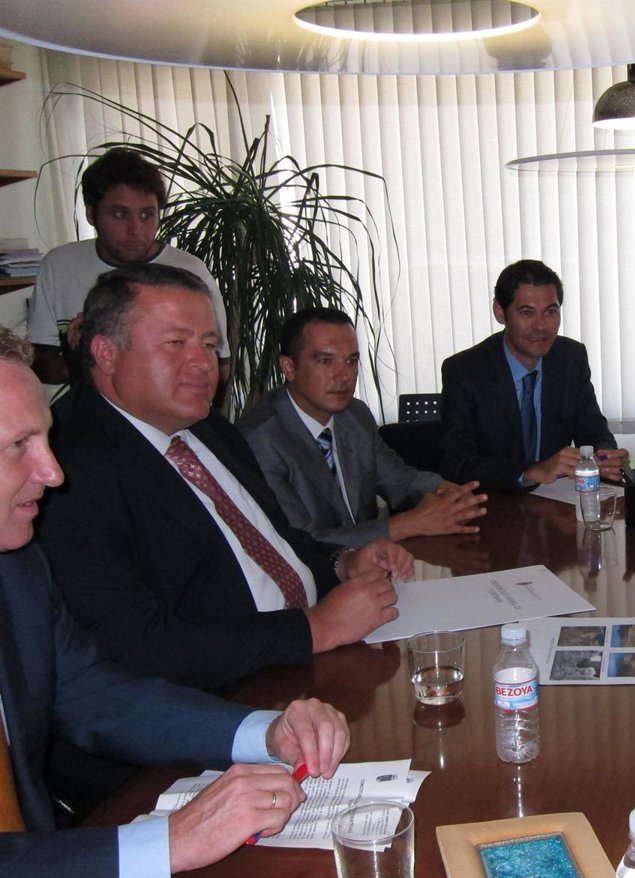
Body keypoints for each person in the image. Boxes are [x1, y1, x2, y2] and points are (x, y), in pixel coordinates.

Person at [0, 327, 351, 878]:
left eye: (45, 439)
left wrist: (266, 733)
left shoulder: (16, 568)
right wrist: (168, 843)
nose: (53, 472)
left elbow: (90, 693)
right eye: (21, 445)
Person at [38, 264, 413, 692]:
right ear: (106, 353)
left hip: (305, 663)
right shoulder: (68, 468)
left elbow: (273, 539)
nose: (205, 364)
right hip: (224, 694)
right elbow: (134, 643)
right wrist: (312, 630)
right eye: (176, 343)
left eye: (209, 344)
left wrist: (342, 563)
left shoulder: (207, 427)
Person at [238, 307, 487, 547]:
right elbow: (298, 542)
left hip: (376, 563)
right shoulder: (259, 440)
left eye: (351, 360)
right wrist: (407, 524)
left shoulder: (354, 415)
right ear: (289, 368)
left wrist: (446, 492)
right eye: (325, 361)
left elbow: (399, 480)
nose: (344, 376)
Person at [26, 148, 230, 388]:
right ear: (91, 214)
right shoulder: (59, 265)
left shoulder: (190, 271)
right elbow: (40, 364)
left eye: (146, 215)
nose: (135, 229)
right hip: (80, 408)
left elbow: (220, 368)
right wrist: (85, 354)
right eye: (119, 214)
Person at [440, 259, 629, 491]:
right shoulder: (465, 371)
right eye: (527, 313)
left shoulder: (570, 358)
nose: (541, 327)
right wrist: (531, 472)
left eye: (551, 312)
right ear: (500, 312)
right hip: (494, 501)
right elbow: (458, 463)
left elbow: (592, 427)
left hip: (556, 501)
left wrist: (604, 455)